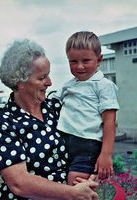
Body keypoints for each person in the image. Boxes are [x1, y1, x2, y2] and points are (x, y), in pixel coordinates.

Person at [0, 39, 99, 200]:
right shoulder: (4, 123)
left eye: (49, 75)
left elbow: (88, 136)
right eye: (41, 78)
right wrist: (72, 193)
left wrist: (89, 177)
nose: (49, 82)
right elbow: (19, 183)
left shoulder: (57, 109)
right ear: (19, 82)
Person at [53, 31, 119, 185]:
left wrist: (106, 154)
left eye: (86, 60)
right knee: (62, 187)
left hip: (86, 146)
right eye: (73, 61)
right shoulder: (68, 85)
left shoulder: (103, 85)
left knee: (78, 189)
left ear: (99, 60)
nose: (79, 66)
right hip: (63, 141)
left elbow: (109, 121)